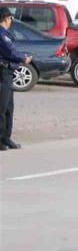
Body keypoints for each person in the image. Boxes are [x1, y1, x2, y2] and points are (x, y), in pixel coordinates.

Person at [0, 8, 31, 151]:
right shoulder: (1, 34)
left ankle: (6, 137)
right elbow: (9, 51)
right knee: (2, 107)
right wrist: (23, 58)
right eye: (11, 18)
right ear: (6, 18)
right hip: (2, 73)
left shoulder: (5, 33)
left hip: (8, 73)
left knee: (8, 108)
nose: (11, 21)